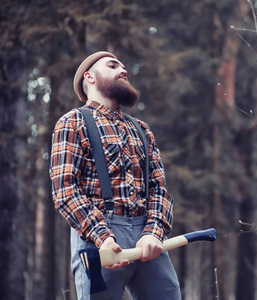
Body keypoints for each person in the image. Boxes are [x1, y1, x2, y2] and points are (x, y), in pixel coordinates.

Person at [50, 51, 181, 300]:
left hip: (146, 237)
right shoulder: (73, 122)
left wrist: (153, 232)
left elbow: (158, 189)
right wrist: (103, 237)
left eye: (124, 67)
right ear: (89, 77)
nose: (123, 71)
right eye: (112, 66)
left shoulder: (141, 129)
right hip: (98, 239)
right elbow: (65, 190)